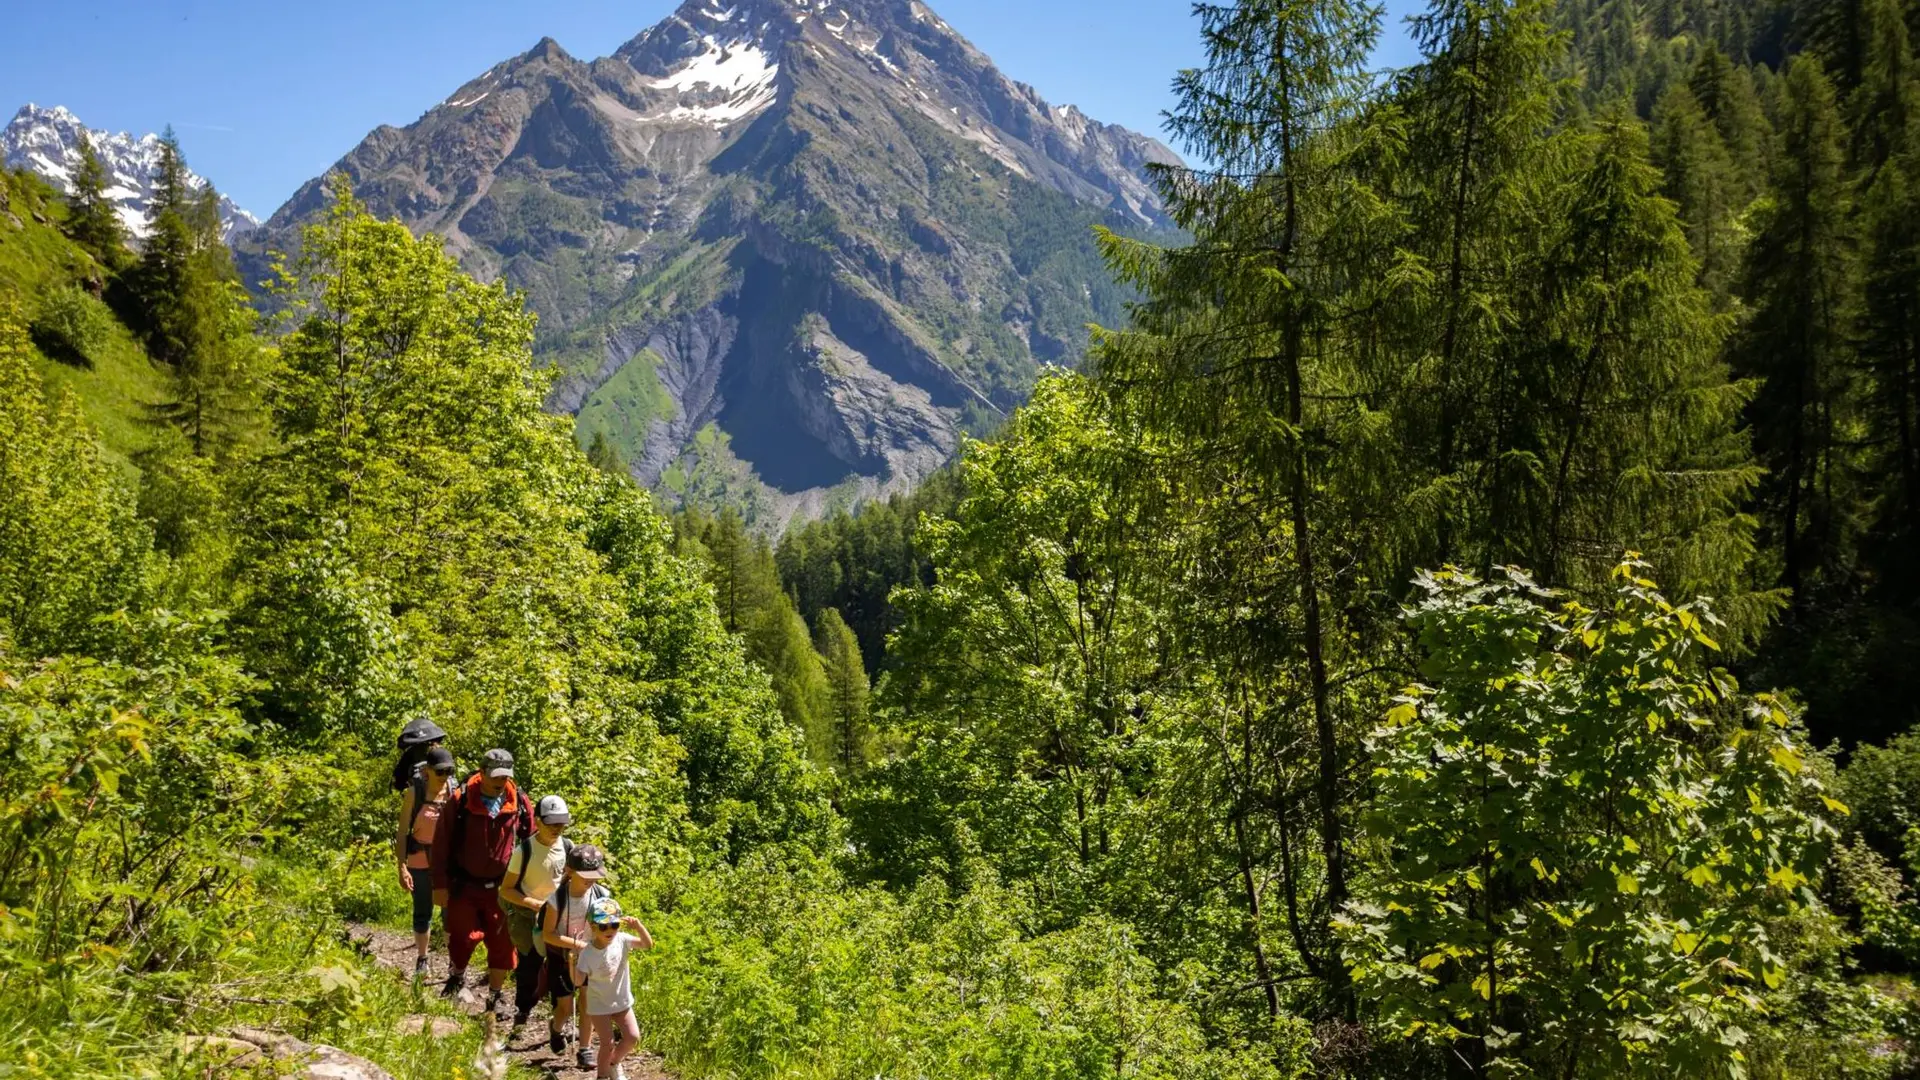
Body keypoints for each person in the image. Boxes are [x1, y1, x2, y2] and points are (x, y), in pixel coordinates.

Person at [429, 747, 532, 1011]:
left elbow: (531, 840)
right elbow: (441, 842)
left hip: (502, 887)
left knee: (502, 943)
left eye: (505, 776)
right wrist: (439, 884)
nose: (501, 781)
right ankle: (457, 978)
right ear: (482, 772)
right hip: (464, 884)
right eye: (496, 776)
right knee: (462, 937)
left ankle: (495, 996)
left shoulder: (518, 800)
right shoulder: (461, 799)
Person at [500, 794, 573, 1026]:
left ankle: (557, 1017)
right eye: (551, 823)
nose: (556, 828)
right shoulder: (524, 851)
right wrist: (534, 904)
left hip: (558, 918)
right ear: (538, 821)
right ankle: (523, 1011)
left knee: (558, 968)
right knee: (529, 966)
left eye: (561, 824)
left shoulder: (568, 847)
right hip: (529, 918)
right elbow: (506, 890)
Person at [541, 843, 613, 1069]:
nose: (591, 881)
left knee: (587, 1002)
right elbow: (547, 934)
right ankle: (556, 1028)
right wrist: (575, 944)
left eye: (595, 876)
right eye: (585, 876)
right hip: (561, 957)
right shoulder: (557, 899)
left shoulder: (602, 895)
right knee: (564, 1007)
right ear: (570, 872)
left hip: (590, 957)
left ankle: (585, 1049)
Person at [573, 897, 654, 1080]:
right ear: (593, 927)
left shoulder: (622, 940)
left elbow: (647, 945)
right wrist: (573, 964)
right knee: (607, 1043)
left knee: (632, 1037)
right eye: (603, 926)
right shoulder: (587, 953)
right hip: (599, 1005)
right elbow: (578, 981)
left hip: (621, 1001)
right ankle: (602, 1076)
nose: (610, 930)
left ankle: (613, 1064)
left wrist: (638, 926)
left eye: (614, 925)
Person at [394, 744, 456, 978]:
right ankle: (422, 960)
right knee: (422, 911)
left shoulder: (454, 792)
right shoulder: (415, 793)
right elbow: (402, 833)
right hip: (418, 859)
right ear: (428, 770)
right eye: (440, 771)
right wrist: (402, 867)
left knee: (450, 914)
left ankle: (454, 964)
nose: (444, 776)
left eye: (449, 771)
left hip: (447, 863)